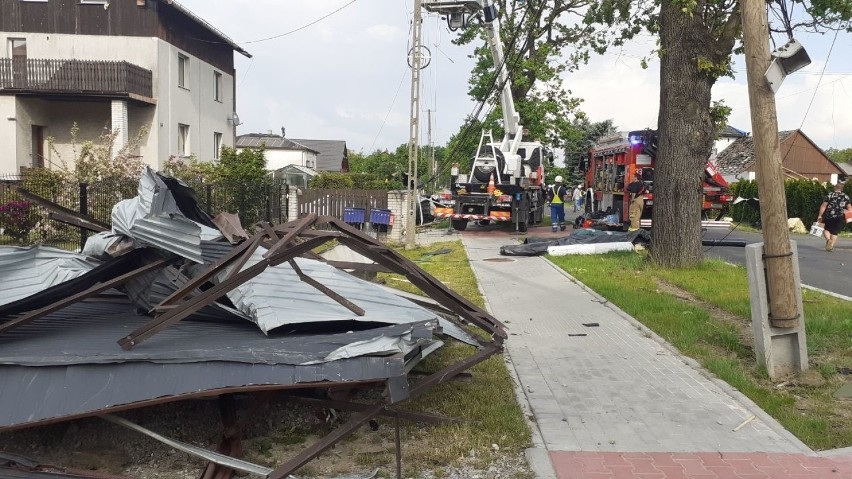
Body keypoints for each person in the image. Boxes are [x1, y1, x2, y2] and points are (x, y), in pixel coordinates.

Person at [816, 180, 851, 252]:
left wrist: (820, 215)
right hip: (840, 216)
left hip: (829, 216)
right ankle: (831, 246)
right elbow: (849, 208)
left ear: (835, 188)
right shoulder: (846, 197)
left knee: (826, 229)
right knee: (835, 232)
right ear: (842, 189)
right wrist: (850, 216)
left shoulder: (829, 195)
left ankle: (829, 241)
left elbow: (823, 206)